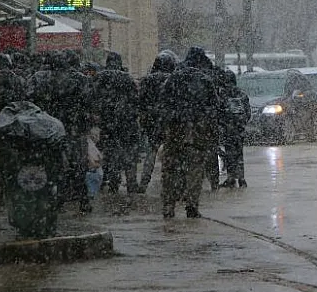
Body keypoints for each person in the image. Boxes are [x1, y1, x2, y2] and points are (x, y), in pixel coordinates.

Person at [158, 46, 221, 218]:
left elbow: (162, 104)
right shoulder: (205, 80)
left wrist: (169, 123)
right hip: (198, 129)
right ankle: (192, 205)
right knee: (195, 168)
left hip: (175, 128)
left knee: (170, 168)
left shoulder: (173, 78)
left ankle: (168, 206)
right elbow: (215, 108)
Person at [26, 50, 93, 213]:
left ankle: (56, 198)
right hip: (73, 127)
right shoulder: (79, 79)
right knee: (77, 164)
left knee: (52, 164)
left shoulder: (39, 78)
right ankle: (82, 199)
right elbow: (88, 102)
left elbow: (29, 101)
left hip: (47, 128)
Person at [93, 52, 141, 194]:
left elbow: (94, 98)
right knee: (129, 152)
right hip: (127, 122)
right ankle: (131, 182)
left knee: (110, 151)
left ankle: (113, 180)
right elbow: (135, 100)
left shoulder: (100, 77)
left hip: (107, 122)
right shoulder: (127, 78)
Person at [137, 50, 179, 193]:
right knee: (172, 152)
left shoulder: (147, 80)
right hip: (169, 121)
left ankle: (144, 183)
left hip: (152, 122)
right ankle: (170, 182)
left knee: (151, 152)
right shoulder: (174, 79)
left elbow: (140, 101)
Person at [219, 69, 251, 188]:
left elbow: (219, 111)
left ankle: (231, 177)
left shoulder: (222, 95)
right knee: (239, 153)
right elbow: (248, 113)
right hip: (239, 130)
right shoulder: (241, 94)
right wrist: (242, 124)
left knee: (229, 153)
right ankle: (241, 178)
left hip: (228, 129)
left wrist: (222, 124)